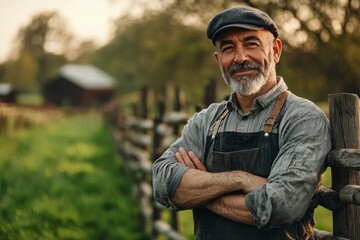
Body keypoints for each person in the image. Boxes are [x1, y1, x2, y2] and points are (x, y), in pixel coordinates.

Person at [152, 6, 332, 240]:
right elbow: (163, 182)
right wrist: (241, 179)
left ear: (276, 50)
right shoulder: (206, 121)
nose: (240, 57)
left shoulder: (303, 118)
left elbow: (281, 204)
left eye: (251, 43)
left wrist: (201, 192)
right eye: (228, 48)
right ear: (219, 60)